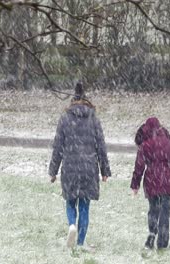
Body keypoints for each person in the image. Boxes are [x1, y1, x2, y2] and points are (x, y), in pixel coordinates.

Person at [48, 82, 111, 250]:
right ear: (87, 101)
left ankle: (71, 226)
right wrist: (105, 171)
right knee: (84, 205)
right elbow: (101, 147)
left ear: (73, 100)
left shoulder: (65, 119)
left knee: (70, 202)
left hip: (69, 168)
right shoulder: (93, 119)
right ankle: (81, 242)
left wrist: (53, 171)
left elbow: (58, 147)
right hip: (89, 168)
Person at [131, 117, 170, 250]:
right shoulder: (169, 144)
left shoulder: (145, 145)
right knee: (164, 213)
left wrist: (135, 185)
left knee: (153, 210)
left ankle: (151, 234)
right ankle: (162, 243)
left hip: (151, 182)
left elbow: (139, 167)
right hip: (166, 182)